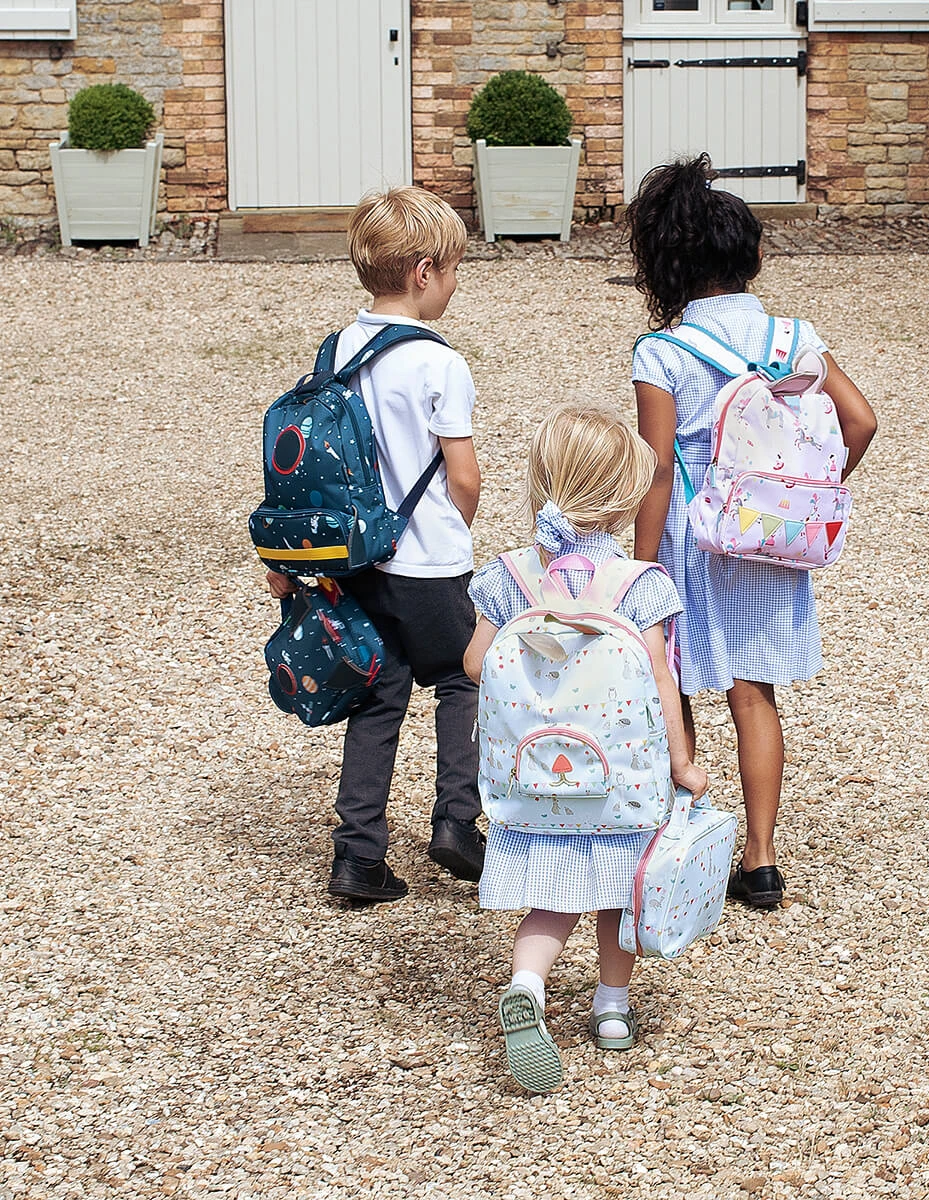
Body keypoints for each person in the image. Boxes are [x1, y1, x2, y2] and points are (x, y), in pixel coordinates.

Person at [626, 154, 877, 910]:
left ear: (665, 264)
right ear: (750, 254)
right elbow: (860, 421)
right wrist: (805, 493)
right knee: (752, 690)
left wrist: (640, 571)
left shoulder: (662, 352)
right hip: (768, 530)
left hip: (692, 533)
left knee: (677, 687)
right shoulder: (795, 336)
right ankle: (761, 862)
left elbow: (657, 467)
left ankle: (683, 844)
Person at [463, 406, 707, 1092]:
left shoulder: (507, 576)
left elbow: (476, 665)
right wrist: (683, 763)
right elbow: (663, 682)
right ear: (626, 497)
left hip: (535, 780)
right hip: (622, 781)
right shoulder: (638, 583)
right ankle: (610, 1009)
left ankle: (529, 986)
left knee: (553, 893)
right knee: (620, 895)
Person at [266, 186, 485, 901]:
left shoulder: (338, 351)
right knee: (461, 677)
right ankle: (456, 821)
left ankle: (357, 856)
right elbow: (465, 476)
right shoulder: (438, 363)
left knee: (379, 695)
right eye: (452, 269)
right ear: (424, 272)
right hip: (428, 561)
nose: (453, 282)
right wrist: (453, 532)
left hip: (353, 560)